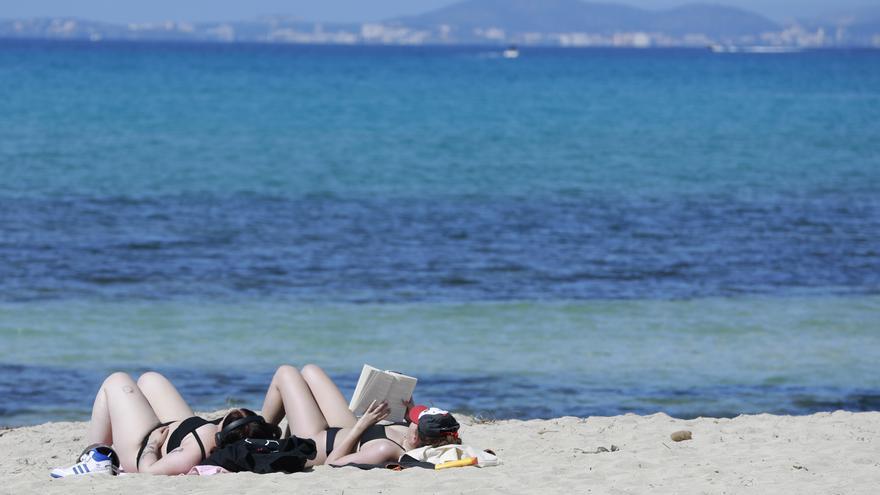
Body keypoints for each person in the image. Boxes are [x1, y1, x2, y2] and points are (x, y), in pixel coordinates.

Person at [51, 371, 279, 477]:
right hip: (180, 428)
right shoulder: (230, 433)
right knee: (150, 379)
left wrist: (152, 443)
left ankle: (95, 455)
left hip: (142, 447)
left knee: (116, 381)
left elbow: (148, 470)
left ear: (223, 434)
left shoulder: (191, 451)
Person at [261, 364, 461, 467]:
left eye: (415, 420)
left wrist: (363, 423)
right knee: (310, 370)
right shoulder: (413, 436)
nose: (412, 417)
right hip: (345, 429)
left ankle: (258, 437)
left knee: (285, 372)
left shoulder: (384, 449)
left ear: (416, 436)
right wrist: (406, 403)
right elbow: (415, 426)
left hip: (317, 444)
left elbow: (333, 463)